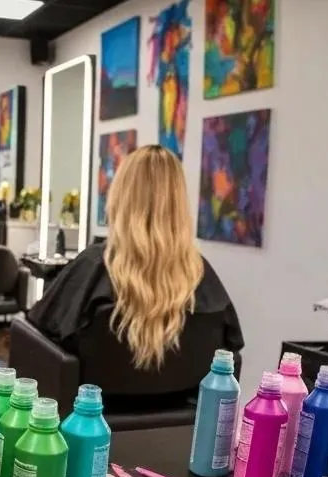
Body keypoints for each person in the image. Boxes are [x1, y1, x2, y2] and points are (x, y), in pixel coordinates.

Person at [27, 144, 242, 367]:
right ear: (178, 204)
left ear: (121, 197)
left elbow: (37, 334)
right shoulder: (200, 271)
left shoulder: (94, 264)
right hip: (182, 402)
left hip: (92, 401)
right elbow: (230, 345)